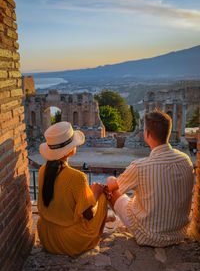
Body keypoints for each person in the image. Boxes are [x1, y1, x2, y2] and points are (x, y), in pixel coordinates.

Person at [105, 109, 194, 247]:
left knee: (111, 182)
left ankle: (127, 224)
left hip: (147, 235)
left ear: (146, 134)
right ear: (168, 132)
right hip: (179, 233)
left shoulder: (140, 166)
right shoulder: (186, 160)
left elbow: (112, 189)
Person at [37, 121, 107, 256]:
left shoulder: (42, 170)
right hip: (69, 241)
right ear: (71, 149)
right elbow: (89, 214)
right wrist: (96, 193)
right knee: (102, 196)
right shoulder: (77, 177)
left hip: (47, 237)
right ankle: (98, 230)